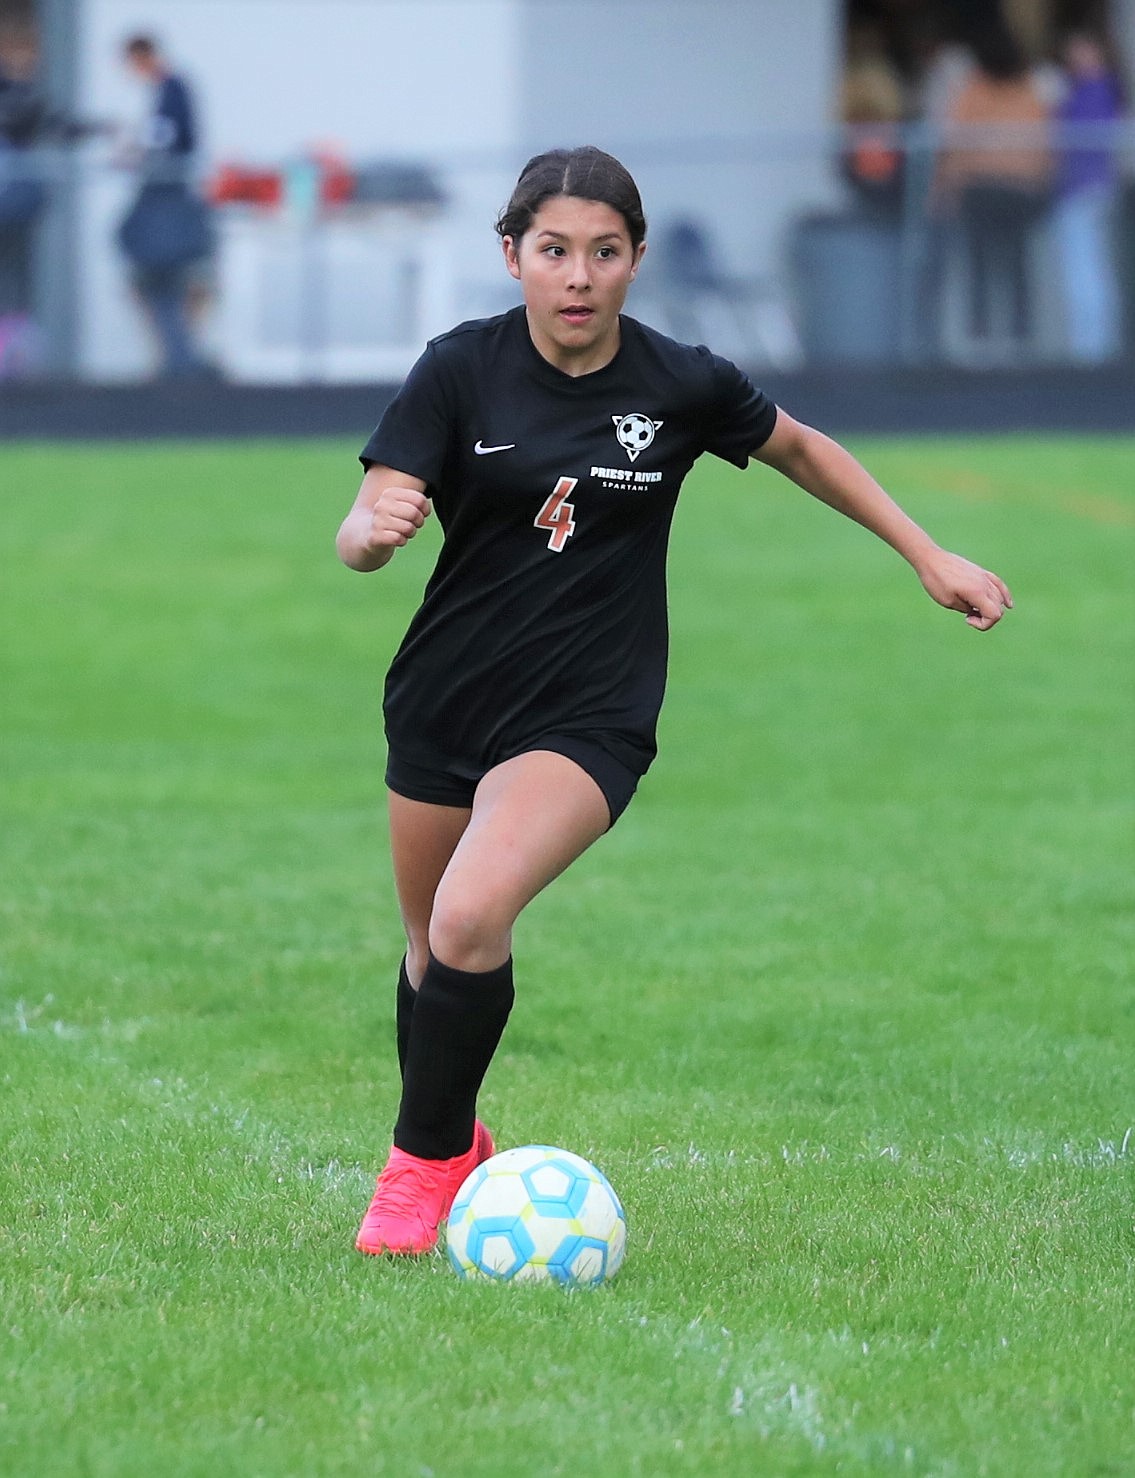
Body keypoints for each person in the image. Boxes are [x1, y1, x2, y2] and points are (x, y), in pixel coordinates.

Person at [336, 146, 1013, 1258]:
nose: (578, 276)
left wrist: (924, 552)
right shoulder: (459, 369)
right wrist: (369, 534)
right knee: (428, 948)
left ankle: (410, 1178)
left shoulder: (678, 381)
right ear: (512, 256)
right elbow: (367, 516)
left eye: (604, 252)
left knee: (468, 917)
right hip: (441, 700)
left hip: (586, 715)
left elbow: (800, 448)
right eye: (553, 250)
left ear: (635, 261)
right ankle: (454, 1139)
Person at [934, 20, 1051, 358]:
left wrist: (944, 189)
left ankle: (982, 337)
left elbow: (954, 142)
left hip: (981, 188)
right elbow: (1045, 145)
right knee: (1016, 264)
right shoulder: (1029, 90)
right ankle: (1020, 336)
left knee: (980, 263)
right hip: (1020, 190)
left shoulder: (974, 89)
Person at [116, 33, 213, 378]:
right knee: (156, 282)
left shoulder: (172, 89)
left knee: (174, 279)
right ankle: (177, 354)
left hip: (167, 203)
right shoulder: (164, 91)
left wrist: (132, 152)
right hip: (163, 202)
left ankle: (181, 355)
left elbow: (166, 140)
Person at [1052, 29, 1126, 364]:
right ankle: (1090, 345)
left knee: (1086, 270)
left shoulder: (1098, 89)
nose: (1076, 56)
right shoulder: (1081, 89)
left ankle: (1092, 348)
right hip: (1080, 189)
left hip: (1087, 189)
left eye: (1083, 49)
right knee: (1086, 268)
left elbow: (1086, 143)